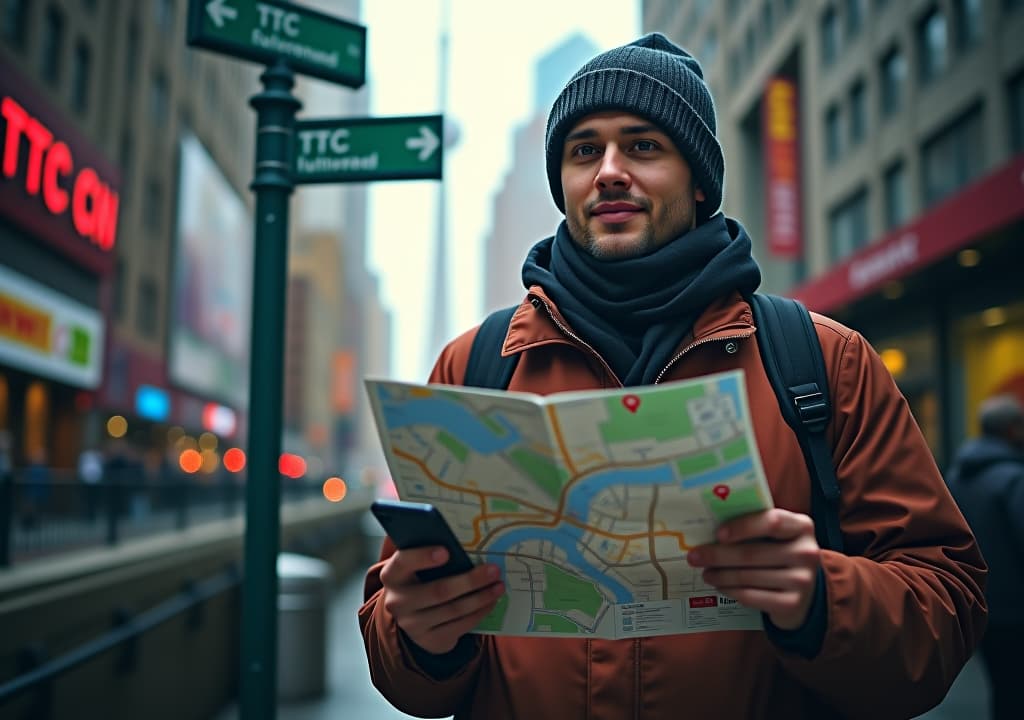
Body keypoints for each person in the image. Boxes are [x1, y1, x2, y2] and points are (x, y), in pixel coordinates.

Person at [359, 33, 987, 719]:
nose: (608, 171)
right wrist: (420, 636)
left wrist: (819, 598)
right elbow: (407, 671)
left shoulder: (824, 361)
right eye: (583, 150)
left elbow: (946, 611)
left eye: (644, 146)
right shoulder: (474, 367)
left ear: (699, 181)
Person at [946, 395, 1024, 720]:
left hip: (979, 604)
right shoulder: (1013, 478)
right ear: (1012, 429)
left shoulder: (955, 476)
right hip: (1017, 609)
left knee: (1003, 689)